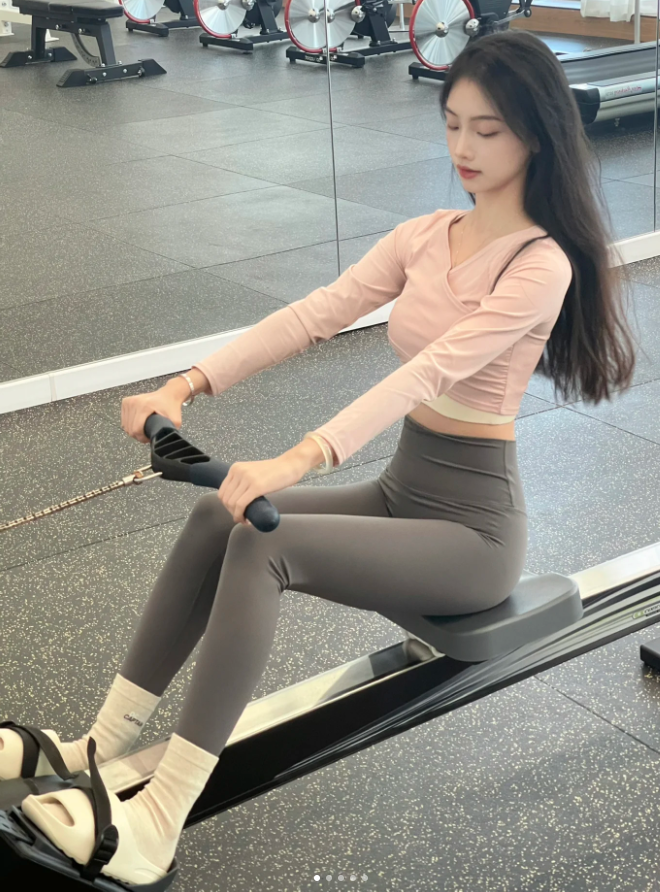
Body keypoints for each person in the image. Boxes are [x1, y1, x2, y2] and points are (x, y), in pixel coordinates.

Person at [0, 28, 639, 886]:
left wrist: (296, 460)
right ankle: (96, 744)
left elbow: (427, 371)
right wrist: (184, 385)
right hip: (404, 491)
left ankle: (160, 815)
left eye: (487, 130)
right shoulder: (427, 234)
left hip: (472, 533)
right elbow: (315, 314)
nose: (463, 147)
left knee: (265, 543)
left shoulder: (539, 265)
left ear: (535, 134)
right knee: (215, 514)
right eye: (453, 124)